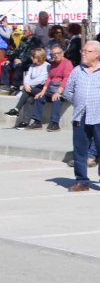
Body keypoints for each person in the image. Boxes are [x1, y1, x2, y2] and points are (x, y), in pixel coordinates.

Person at [62, 40, 100, 192]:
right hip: (80, 116)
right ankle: (82, 181)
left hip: (98, 116)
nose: (83, 53)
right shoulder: (77, 71)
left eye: (86, 51)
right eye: (82, 51)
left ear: (97, 54)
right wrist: (79, 101)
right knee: (79, 150)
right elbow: (68, 92)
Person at [28, 44, 73, 132]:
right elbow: (49, 78)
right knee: (39, 97)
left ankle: (54, 123)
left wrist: (58, 92)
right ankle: (37, 122)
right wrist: (43, 91)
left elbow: (66, 79)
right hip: (51, 89)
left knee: (57, 99)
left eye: (58, 53)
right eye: (54, 54)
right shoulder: (53, 64)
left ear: (63, 53)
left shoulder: (67, 63)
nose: (56, 55)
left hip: (63, 90)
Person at [5, 48, 49, 128]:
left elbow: (42, 79)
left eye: (34, 57)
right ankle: (25, 122)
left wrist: (27, 85)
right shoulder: (32, 66)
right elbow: (27, 76)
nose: (32, 58)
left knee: (26, 90)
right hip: (31, 89)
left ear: (39, 57)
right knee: (29, 99)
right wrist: (26, 84)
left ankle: (17, 109)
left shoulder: (47, 66)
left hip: (42, 89)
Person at [0, 26, 42, 94]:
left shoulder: (36, 40)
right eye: (23, 30)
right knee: (5, 65)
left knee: (19, 65)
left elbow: (32, 54)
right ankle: (5, 85)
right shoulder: (23, 39)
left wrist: (22, 60)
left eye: (25, 30)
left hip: (28, 61)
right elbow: (17, 51)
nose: (23, 32)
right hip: (19, 59)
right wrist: (9, 60)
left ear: (30, 32)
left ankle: (15, 85)